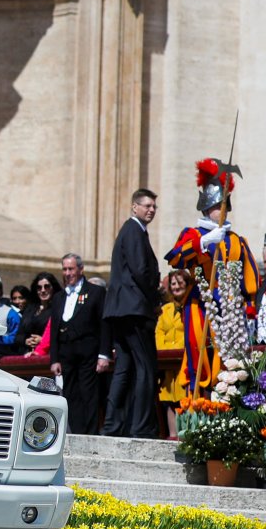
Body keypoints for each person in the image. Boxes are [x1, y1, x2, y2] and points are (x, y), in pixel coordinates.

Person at [165, 161, 259, 393]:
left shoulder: (236, 239)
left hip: (230, 309)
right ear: (208, 207)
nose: (223, 209)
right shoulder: (193, 234)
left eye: (225, 204)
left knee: (231, 361)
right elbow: (176, 259)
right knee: (201, 357)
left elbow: (250, 275)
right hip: (201, 305)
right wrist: (203, 242)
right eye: (219, 205)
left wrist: (249, 307)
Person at [103, 188, 162, 438]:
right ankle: (141, 427)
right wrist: (156, 297)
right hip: (135, 309)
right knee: (146, 367)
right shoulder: (135, 231)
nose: (150, 210)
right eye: (146, 205)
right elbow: (141, 270)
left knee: (124, 367)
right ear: (134, 206)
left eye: (153, 207)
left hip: (120, 310)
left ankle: (113, 426)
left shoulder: (129, 230)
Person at [49, 254, 110, 435]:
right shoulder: (59, 297)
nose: (67, 273)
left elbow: (104, 325)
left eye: (71, 269)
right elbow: (54, 330)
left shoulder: (95, 292)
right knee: (71, 395)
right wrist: (55, 358)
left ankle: (89, 434)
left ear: (80, 270)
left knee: (88, 395)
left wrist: (104, 354)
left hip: (88, 353)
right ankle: (76, 432)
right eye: (65, 269)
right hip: (67, 354)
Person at [157, 269, 194, 439]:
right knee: (168, 397)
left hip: (184, 359)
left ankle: (184, 433)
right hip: (167, 360)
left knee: (182, 398)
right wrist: (163, 350)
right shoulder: (166, 309)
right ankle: (172, 435)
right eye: (173, 284)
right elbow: (160, 331)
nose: (176, 287)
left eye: (180, 283)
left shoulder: (191, 306)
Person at [22, 272, 61, 356]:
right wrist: (26, 340)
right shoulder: (30, 309)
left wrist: (43, 340)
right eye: (39, 287)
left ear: (53, 288)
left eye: (47, 287)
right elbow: (19, 334)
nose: (43, 290)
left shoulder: (58, 309)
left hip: (47, 356)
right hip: (25, 354)